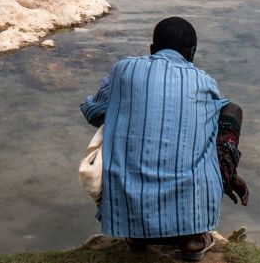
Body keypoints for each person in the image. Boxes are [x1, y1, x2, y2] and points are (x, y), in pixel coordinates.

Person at [81, 17, 248, 262]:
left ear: (151, 49)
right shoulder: (205, 81)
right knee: (229, 111)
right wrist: (228, 171)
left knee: (117, 121)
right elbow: (218, 119)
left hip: (128, 201)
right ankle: (192, 238)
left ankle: (137, 234)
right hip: (189, 209)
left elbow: (93, 113)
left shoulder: (123, 69)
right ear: (192, 52)